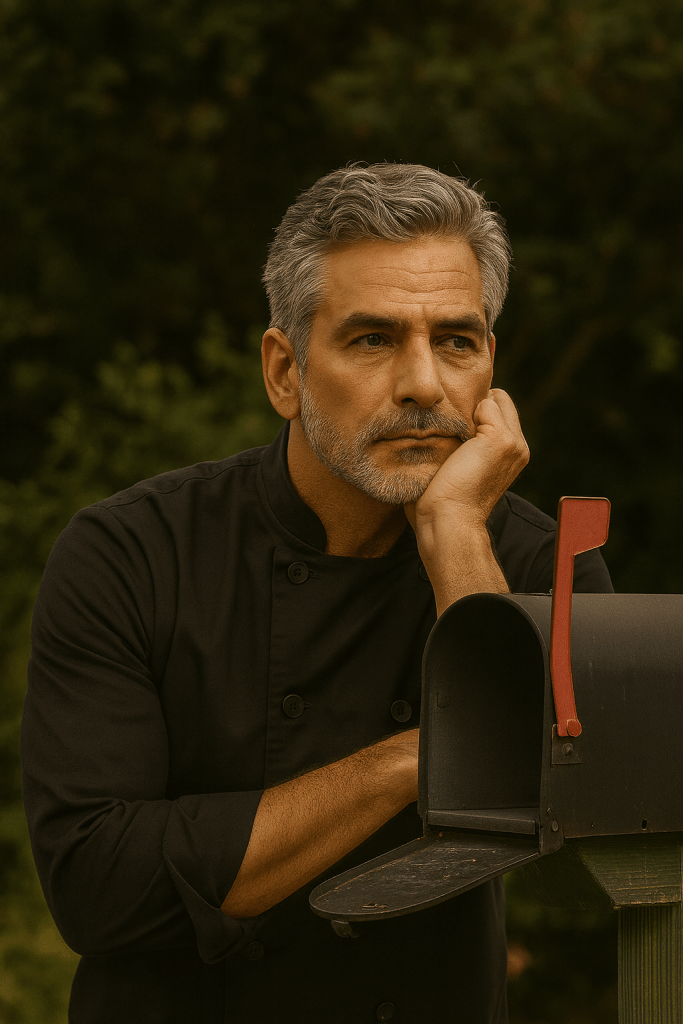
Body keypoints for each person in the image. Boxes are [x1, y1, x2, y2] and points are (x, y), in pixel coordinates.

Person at [22, 163, 612, 1024]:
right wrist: (421, 758)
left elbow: (586, 845)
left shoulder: (536, 562)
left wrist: (453, 534)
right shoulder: (132, 553)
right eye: (372, 339)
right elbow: (97, 886)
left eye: (456, 340)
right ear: (284, 371)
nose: (422, 384)